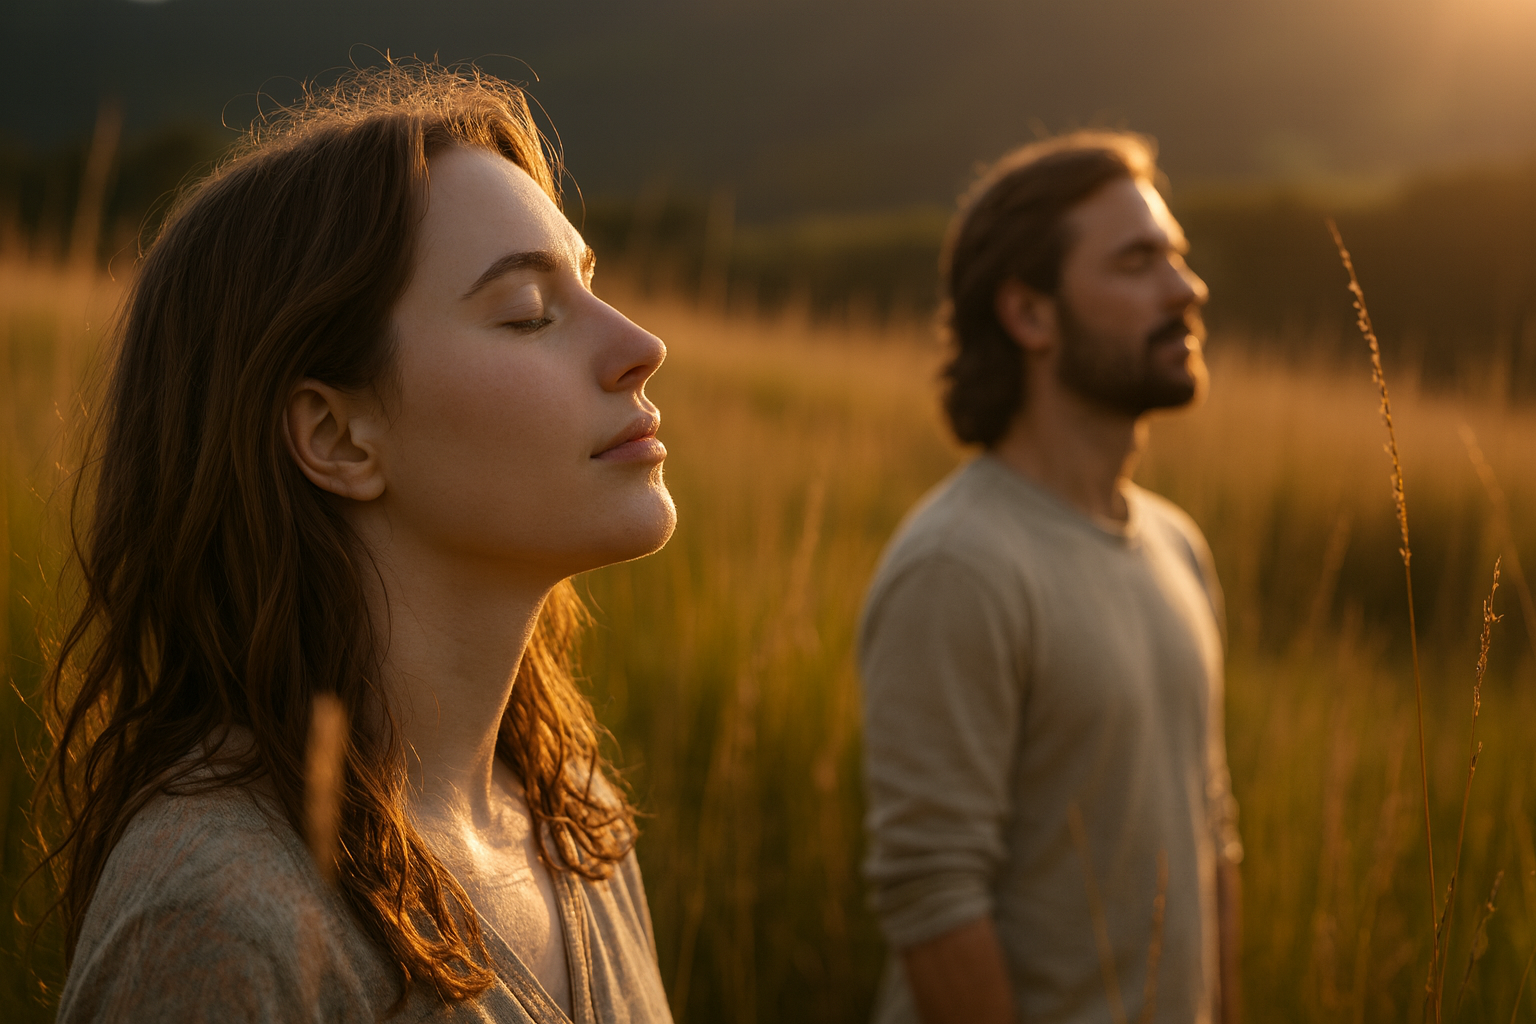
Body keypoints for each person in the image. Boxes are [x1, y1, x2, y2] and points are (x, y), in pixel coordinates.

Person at [43, 64, 677, 1023]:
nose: (640, 343)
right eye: (527, 314)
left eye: (592, 285)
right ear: (338, 438)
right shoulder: (222, 919)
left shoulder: (573, 818)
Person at [858, 131, 1242, 1024]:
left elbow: (1211, 830)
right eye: (1139, 262)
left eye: (1178, 258)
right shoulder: (959, 566)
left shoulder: (1176, 544)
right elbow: (934, 899)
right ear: (1029, 314)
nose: (1187, 289)